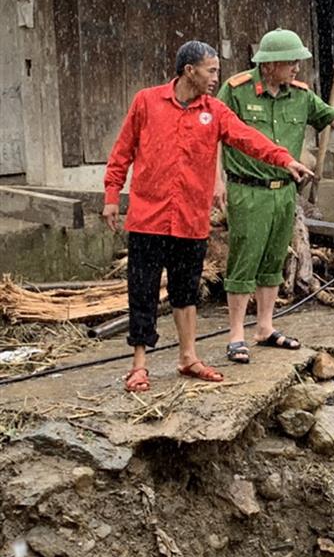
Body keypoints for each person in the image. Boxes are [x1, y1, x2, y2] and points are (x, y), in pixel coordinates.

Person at [102, 40, 312, 393]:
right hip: (147, 218)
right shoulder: (146, 102)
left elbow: (248, 138)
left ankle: (188, 357)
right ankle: (139, 365)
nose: (217, 77)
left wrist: (282, 158)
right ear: (190, 71)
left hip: (190, 219)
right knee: (143, 291)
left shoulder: (214, 112)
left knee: (186, 292)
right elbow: (122, 151)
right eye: (211, 70)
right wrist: (111, 196)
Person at [216, 28, 334, 364]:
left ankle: (265, 328)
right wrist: (216, 181)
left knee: (273, 261)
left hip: (285, 191)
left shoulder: (300, 95)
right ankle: (236, 335)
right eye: (292, 62)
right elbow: (211, 132)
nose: (298, 68)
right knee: (244, 260)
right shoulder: (237, 90)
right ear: (270, 64)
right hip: (247, 188)